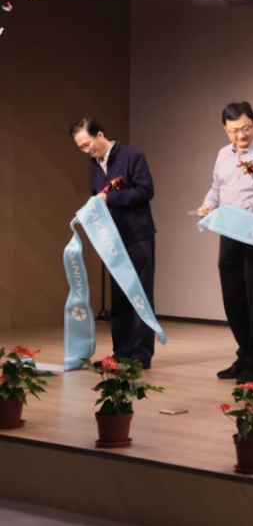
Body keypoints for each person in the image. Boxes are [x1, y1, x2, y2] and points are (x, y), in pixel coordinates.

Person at [197, 101, 253, 384]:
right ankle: (244, 354)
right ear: (225, 129)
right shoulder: (223, 154)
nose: (240, 135)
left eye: (245, 128)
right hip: (229, 231)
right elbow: (216, 188)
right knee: (232, 296)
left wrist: (244, 207)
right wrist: (208, 204)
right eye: (234, 130)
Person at [71, 118, 157, 369]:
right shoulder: (94, 165)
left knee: (140, 294)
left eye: (87, 144)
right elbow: (96, 197)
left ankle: (141, 355)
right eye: (81, 148)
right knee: (119, 298)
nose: (86, 150)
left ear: (100, 134)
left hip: (138, 236)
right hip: (113, 239)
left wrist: (111, 198)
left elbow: (146, 191)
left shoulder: (132, 156)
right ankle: (121, 353)